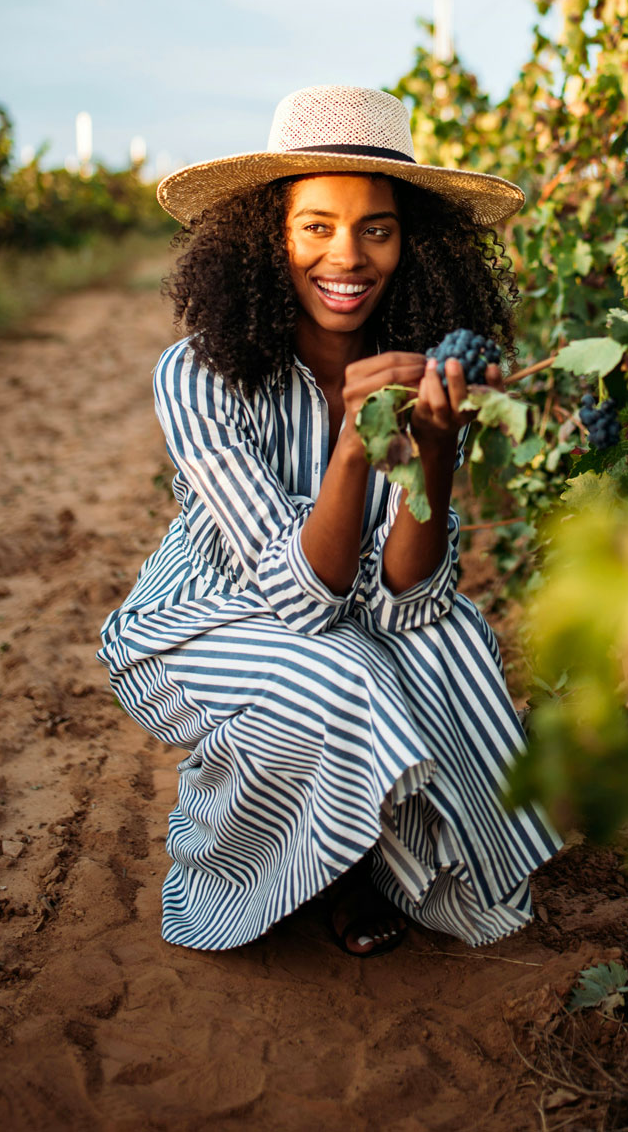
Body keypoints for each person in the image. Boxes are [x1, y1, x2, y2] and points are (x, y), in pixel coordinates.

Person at [97, 85, 561, 956]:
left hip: (343, 614)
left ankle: (367, 842)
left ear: (411, 243)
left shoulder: (425, 366)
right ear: (270, 238)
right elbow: (304, 603)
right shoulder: (199, 374)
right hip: (197, 627)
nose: (347, 254)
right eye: (316, 225)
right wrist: (355, 441)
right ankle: (243, 866)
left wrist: (429, 446)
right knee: (340, 671)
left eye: (376, 229)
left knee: (446, 642)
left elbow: (406, 598)